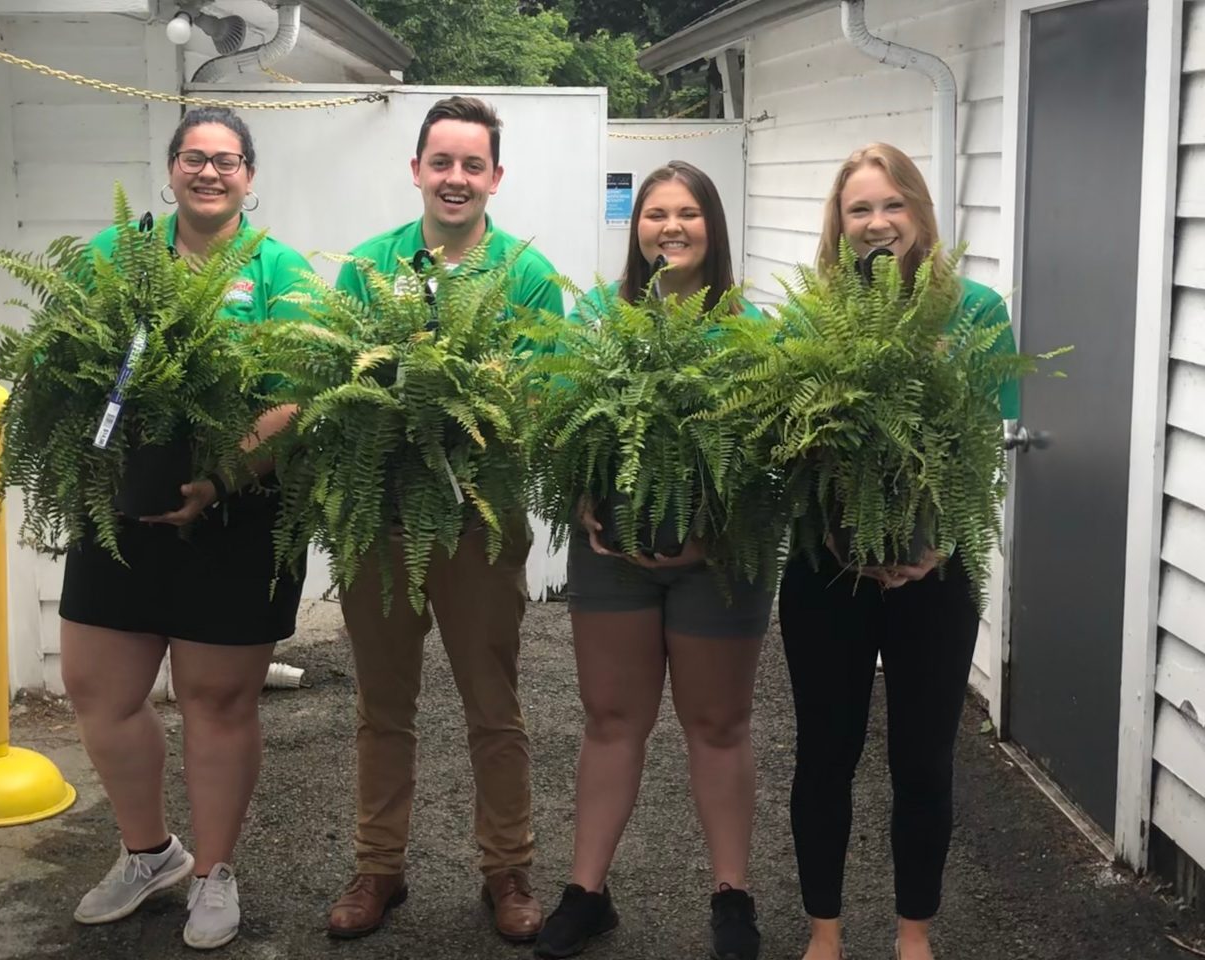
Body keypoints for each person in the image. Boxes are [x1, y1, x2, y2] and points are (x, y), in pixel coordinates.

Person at [59, 107, 313, 951]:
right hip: (123, 510)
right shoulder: (117, 257)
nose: (209, 173)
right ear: (170, 169)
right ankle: (149, 854)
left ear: (250, 175)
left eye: (226, 160)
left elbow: (302, 393)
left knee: (216, 701)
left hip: (239, 516)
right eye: (193, 158)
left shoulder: (280, 271)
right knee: (101, 691)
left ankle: (214, 872)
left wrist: (223, 474)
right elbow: (63, 360)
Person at [325, 95, 562, 944]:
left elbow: (535, 396)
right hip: (380, 524)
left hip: (478, 528)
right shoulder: (367, 265)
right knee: (382, 707)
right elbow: (333, 379)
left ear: (495, 177)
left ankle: (509, 868)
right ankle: (377, 869)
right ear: (417, 169)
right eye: (442, 162)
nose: (455, 178)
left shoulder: (526, 276)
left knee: (492, 707)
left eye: (472, 165)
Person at [779, 142, 1019, 960]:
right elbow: (789, 440)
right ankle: (825, 932)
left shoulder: (976, 310)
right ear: (838, 224)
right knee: (825, 753)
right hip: (826, 569)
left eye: (893, 205)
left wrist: (941, 540)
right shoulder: (812, 313)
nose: (878, 223)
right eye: (859, 209)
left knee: (923, 759)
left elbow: (986, 439)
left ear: (919, 210)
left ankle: (914, 932)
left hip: (935, 574)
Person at [533, 162, 772, 960]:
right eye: (655, 214)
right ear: (636, 230)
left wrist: (721, 524)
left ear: (715, 227)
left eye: (689, 213)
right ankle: (585, 893)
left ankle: (732, 899)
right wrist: (582, 504)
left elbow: (775, 458)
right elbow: (561, 427)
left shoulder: (751, 326)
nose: (671, 227)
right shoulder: (601, 316)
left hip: (723, 558)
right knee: (611, 721)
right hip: (615, 555)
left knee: (718, 724)